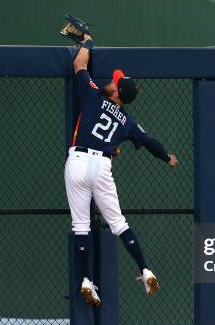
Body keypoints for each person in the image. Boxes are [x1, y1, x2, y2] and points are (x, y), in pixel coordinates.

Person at [65, 34, 179, 306]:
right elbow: (149, 141)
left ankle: (85, 281)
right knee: (119, 225)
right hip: (102, 167)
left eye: (114, 83)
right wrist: (167, 158)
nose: (110, 82)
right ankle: (145, 269)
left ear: (116, 93)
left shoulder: (92, 95)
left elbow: (79, 64)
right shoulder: (127, 120)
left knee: (81, 226)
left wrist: (87, 42)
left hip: (78, 162)